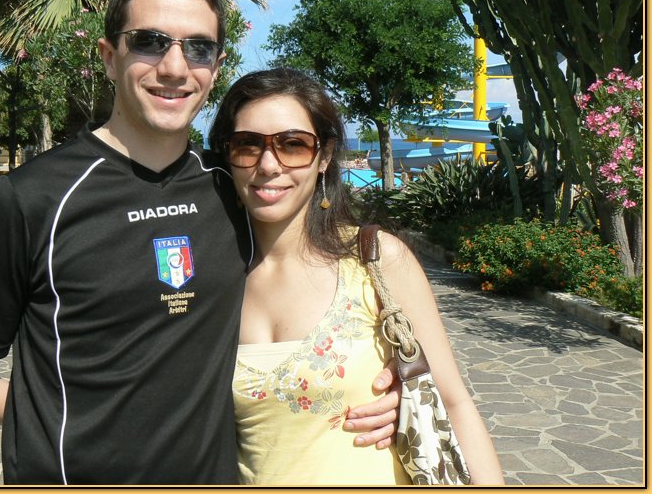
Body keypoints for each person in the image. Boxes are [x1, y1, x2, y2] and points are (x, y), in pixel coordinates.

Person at [0, 0, 399, 485]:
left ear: (216, 67)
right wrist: (90, 424)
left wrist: (377, 384)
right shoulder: (31, 199)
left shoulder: (232, 189)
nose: (175, 67)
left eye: (198, 48)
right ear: (109, 57)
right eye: (150, 42)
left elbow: (303, 283)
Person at [209, 68, 504, 485]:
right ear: (227, 154)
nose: (269, 165)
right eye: (248, 144)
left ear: (325, 155)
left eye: (293, 144)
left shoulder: (376, 259)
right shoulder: (209, 278)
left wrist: (407, 398)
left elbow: (453, 403)